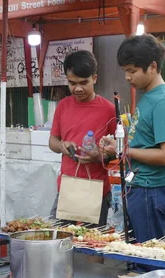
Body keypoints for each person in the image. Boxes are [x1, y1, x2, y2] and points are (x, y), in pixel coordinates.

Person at [101, 34, 165, 243]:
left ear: (152, 67)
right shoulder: (148, 96)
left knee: (147, 255)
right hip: (141, 185)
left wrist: (123, 151)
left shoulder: (164, 101)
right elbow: (145, 141)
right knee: (138, 252)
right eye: (125, 71)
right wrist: (119, 144)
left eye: (132, 70)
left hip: (151, 189)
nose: (127, 77)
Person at [48, 50, 117, 226]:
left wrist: (99, 155)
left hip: (96, 188)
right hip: (68, 186)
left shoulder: (108, 109)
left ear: (94, 78)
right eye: (72, 83)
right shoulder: (63, 106)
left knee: (93, 244)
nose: (77, 88)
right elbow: (53, 141)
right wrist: (62, 145)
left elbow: (117, 150)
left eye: (83, 83)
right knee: (57, 239)